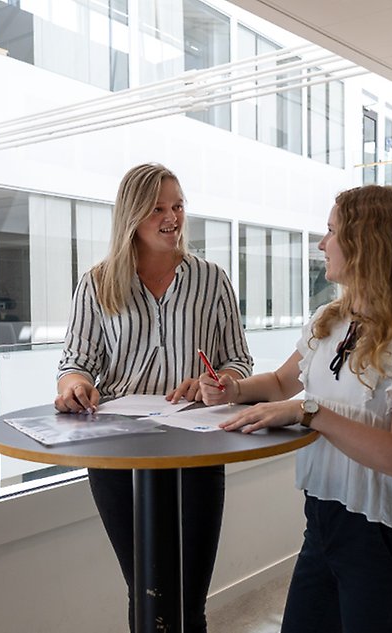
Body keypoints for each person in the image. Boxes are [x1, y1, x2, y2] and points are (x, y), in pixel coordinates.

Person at [198, 185, 392, 633]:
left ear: (368, 244)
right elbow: (279, 383)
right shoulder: (330, 319)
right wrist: (231, 389)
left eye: (330, 232)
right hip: (323, 524)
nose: (321, 245)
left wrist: (308, 412)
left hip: (384, 538)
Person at [54, 163, 253, 633]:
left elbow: (239, 362)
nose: (173, 217)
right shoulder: (97, 283)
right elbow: (74, 364)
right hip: (120, 453)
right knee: (145, 590)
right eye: (158, 208)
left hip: (198, 446)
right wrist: (76, 387)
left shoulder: (212, 280)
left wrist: (216, 382)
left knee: (190, 597)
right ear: (132, 217)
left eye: (178, 206)